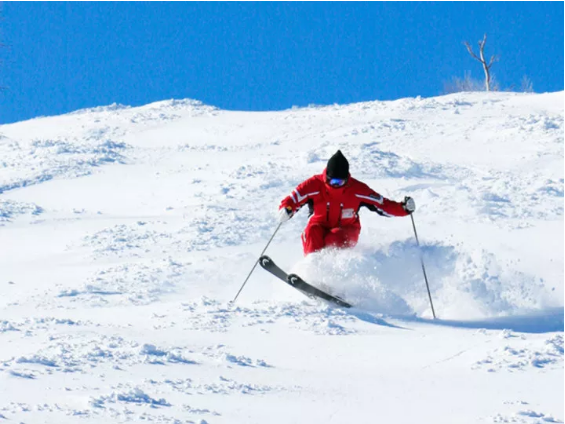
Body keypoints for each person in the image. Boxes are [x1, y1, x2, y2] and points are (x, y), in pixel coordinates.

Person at [278, 150, 416, 256]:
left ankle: (335, 280)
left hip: (347, 229)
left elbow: (382, 204)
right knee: (312, 231)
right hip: (319, 225)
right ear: (326, 177)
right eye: (333, 181)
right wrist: (287, 209)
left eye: (341, 182)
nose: (336, 185)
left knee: (334, 237)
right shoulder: (314, 184)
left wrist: (403, 208)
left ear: (347, 178)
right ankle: (311, 272)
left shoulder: (357, 189)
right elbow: (294, 198)